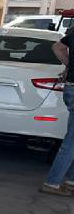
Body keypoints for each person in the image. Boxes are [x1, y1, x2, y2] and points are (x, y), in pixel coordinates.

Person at [42, 26, 74, 195]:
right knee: (71, 142)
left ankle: (71, 181)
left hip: (71, 87)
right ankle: (52, 183)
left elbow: (57, 47)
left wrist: (70, 65)